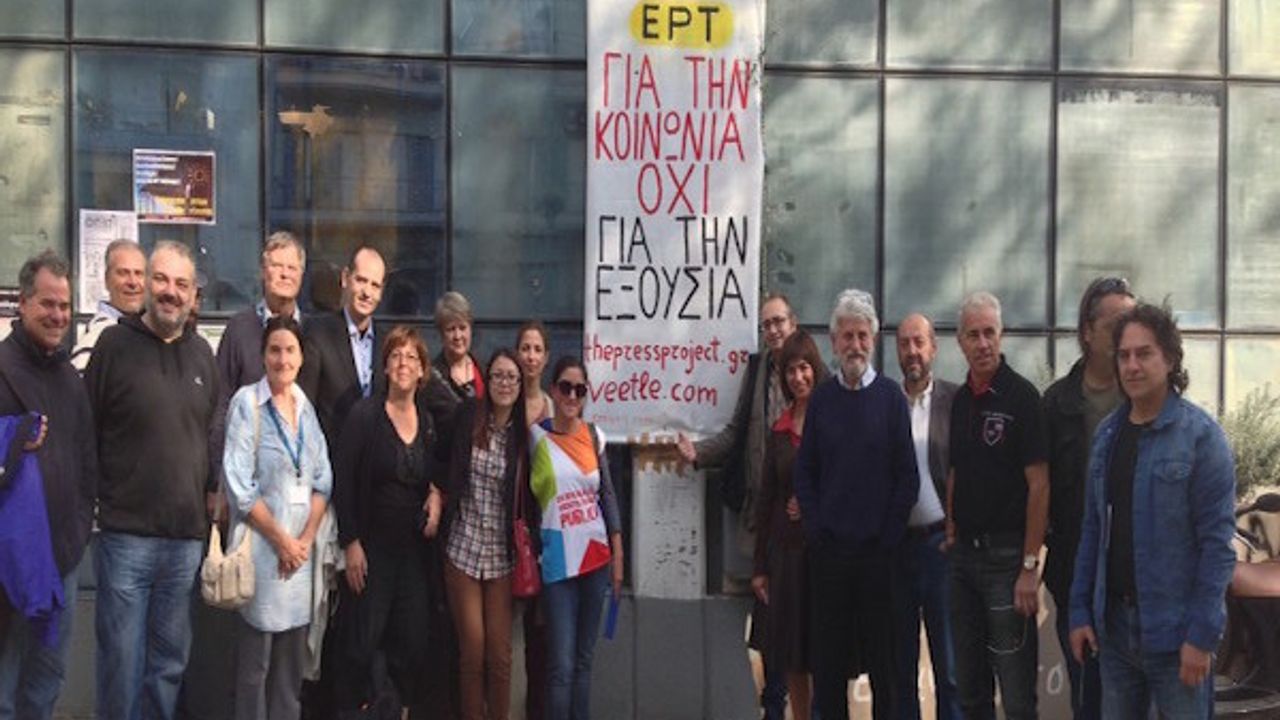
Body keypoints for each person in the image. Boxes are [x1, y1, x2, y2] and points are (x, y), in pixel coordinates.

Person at [1069, 303, 1236, 719]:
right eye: (1124, 355)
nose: (1132, 366)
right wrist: (1079, 611)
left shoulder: (1202, 439)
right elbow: (1092, 531)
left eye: (1144, 354)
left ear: (1170, 358)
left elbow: (1218, 547)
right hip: (1114, 633)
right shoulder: (1108, 437)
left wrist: (1202, 636)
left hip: (1178, 635)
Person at [85, 240, 222, 720]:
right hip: (125, 538)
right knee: (121, 664)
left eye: (181, 284)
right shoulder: (113, 346)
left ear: (193, 293)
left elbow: (210, 433)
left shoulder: (203, 355)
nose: (170, 292)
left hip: (184, 542)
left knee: (168, 667)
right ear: (146, 284)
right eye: (161, 279)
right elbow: (86, 430)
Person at [794, 289, 917, 720]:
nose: (855, 345)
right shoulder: (822, 400)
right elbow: (805, 472)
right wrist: (816, 529)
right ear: (833, 342)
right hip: (830, 557)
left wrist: (888, 538)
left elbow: (907, 477)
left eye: (863, 336)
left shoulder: (890, 399)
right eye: (847, 336)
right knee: (829, 671)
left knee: (885, 668)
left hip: (879, 558)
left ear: (874, 340)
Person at [675, 293, 797, 719]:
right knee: (768, 615)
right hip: (763, 517)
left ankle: (792, 702)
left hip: (802, 523)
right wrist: (698, 453)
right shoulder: (758, 370)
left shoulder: (809, 371)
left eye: (779, 321)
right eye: (767, 324)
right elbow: (735, 432)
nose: (773, 330)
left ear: (794, 323)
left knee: (792, 616)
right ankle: (773, 704)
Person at [0, 251, 97, 720]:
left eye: (65, 305)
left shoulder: (68, 377)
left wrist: (76, 534)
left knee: (47, 680)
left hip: (62, 558)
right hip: (10, 562)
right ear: (22, 303)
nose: (58, 315)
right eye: (48, 304)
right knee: (4, 684)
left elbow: (86, 460)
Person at [945, 291, 1048, 720]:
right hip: (962, 562)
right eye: (973, 335)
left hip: (1008, 563)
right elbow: (955, 471)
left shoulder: (1022, 398)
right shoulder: (959, 402)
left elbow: (1039, 485)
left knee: (1017, 695)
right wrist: (951, 528)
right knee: (971, 692)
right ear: (960, 342)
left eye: (989, 332)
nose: (983, 343)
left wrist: (1029, 566)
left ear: (1001, 335)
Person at [223, 316, 332, 720]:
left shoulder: (305, 408)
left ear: (301, 357)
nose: (282, 359)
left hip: (298, 562)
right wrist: (282, 541)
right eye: (274, 350)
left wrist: (303, 540)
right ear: (262, 355)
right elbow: (240, 486)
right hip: (262, 556)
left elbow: (323, 480)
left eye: (290, 350)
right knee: (255, 671)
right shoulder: (246, 404)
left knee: (289, 674)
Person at [332, 325, 442, 716]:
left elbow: (433, 471)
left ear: (423, 370)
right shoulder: (365, 415)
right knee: (361, 643)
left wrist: (436, 493)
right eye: (395, 355)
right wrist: (351, 542)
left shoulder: (426, 421)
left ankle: (398, 709)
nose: (403, 363)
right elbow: (343, 479)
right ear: (384, 366)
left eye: (411, 357)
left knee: (412, 640)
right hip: (371, 550)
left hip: (412, 553)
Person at [1042, 277, 1134, 720]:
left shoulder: (1146, 395)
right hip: (1075, 573)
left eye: (1133, 321)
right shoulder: (1057, 402)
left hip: (1136, 580)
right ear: (1087, 331)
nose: (1127, 334)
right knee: (1088, 696)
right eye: (1117, 323)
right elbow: (1039, 488)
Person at [440, 349, 532, 720]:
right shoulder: (467, 416)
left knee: (500, 655)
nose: (505, 383)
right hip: (463, 548)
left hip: (501, 558)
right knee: (473, 650)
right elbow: (441, 456)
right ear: (487, 380)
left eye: (512, 377)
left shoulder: (523, 437)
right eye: (498, 376)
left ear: (521, 385)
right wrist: (435, 491)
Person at [530, 356, 624, 720]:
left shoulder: (594, 436)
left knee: (584, 662)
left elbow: (608, 495)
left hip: (596, 559)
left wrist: (618, 554)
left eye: (580, 390)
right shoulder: (535, 437)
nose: (572, 396)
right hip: (557, 563)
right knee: (562, 666)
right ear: (554, 390)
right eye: (566, 388)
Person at [751, 330, 828, 720]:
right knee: (794, 658)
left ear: (815, 368)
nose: (798, 378)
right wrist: (759, 567)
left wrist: (813, 505)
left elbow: (848, 481)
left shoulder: (833, 420)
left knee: (826, 652)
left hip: (826, 554)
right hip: (787, 556)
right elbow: (766, 500)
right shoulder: (779, 430)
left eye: (803, 368)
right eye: (790, 372)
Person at [891, 313, 961, 720]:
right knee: (901, 668)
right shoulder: (886, 403)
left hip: (942, 547)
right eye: (904, 343)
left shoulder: (956, 401)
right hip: (898, 548)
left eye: (919, 342)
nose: (912, 351)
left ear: (933, 347)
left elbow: (967, 470)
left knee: (949, 667)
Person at [298, 245, 388, 447]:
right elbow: (304, 407)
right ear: (346, 278)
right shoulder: (317, 333)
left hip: (375, 461)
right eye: (361, 280)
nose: (367, 292)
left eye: (375, 285)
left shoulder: (387, 344)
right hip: (330, 459)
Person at [217, 231, 306, 402]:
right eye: (277, 266)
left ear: (300, 275)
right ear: (263, 272)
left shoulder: (313, 331)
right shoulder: (239, 329)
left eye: (292, 268)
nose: (285, 274)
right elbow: (222, 397)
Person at [515, 321, 552, 720]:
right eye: (525, 348)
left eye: (537, 349)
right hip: (512, 525)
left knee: (544, 631)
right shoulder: (503, 403)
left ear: (545, 357)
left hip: (549, 530)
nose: (530, 356)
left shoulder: (555, 407)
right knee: (514, 630)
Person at [70, 239, 145, 372]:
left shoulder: (145, 331)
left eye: (139, 273)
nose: (133, 282)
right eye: (123, 273)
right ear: (106, 280)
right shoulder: (96, 339)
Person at [426, 291, 485, 428]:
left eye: (463, 328)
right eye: (451, 329)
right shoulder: (430, 379)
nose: (458, 336)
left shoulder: (485, 371)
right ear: (441, 334)